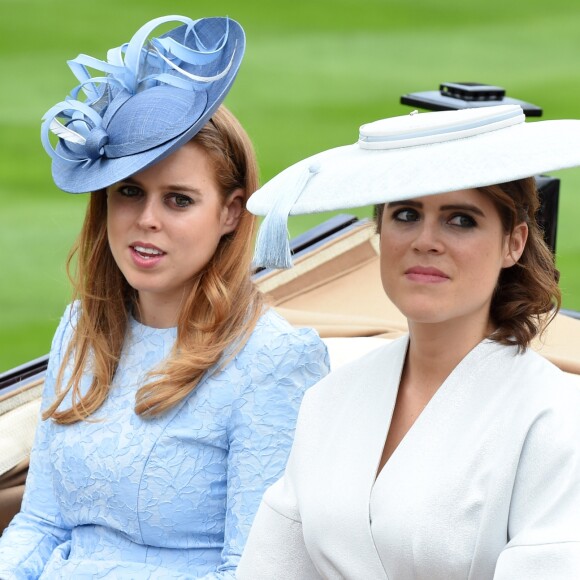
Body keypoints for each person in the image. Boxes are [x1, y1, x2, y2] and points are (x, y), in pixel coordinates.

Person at [0, 15, 329, 579]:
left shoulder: (274, 360)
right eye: (129, 192)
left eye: (178, 200)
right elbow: (42, 525)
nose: (145, 220)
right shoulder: (81, 325)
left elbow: (251, 569)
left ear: (230, 212)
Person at [237, 105, 580, 579]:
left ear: (514, 243)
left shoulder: (556, 418)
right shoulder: (329, 400)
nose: (426, 240)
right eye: (406, 214)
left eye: (460, 220)